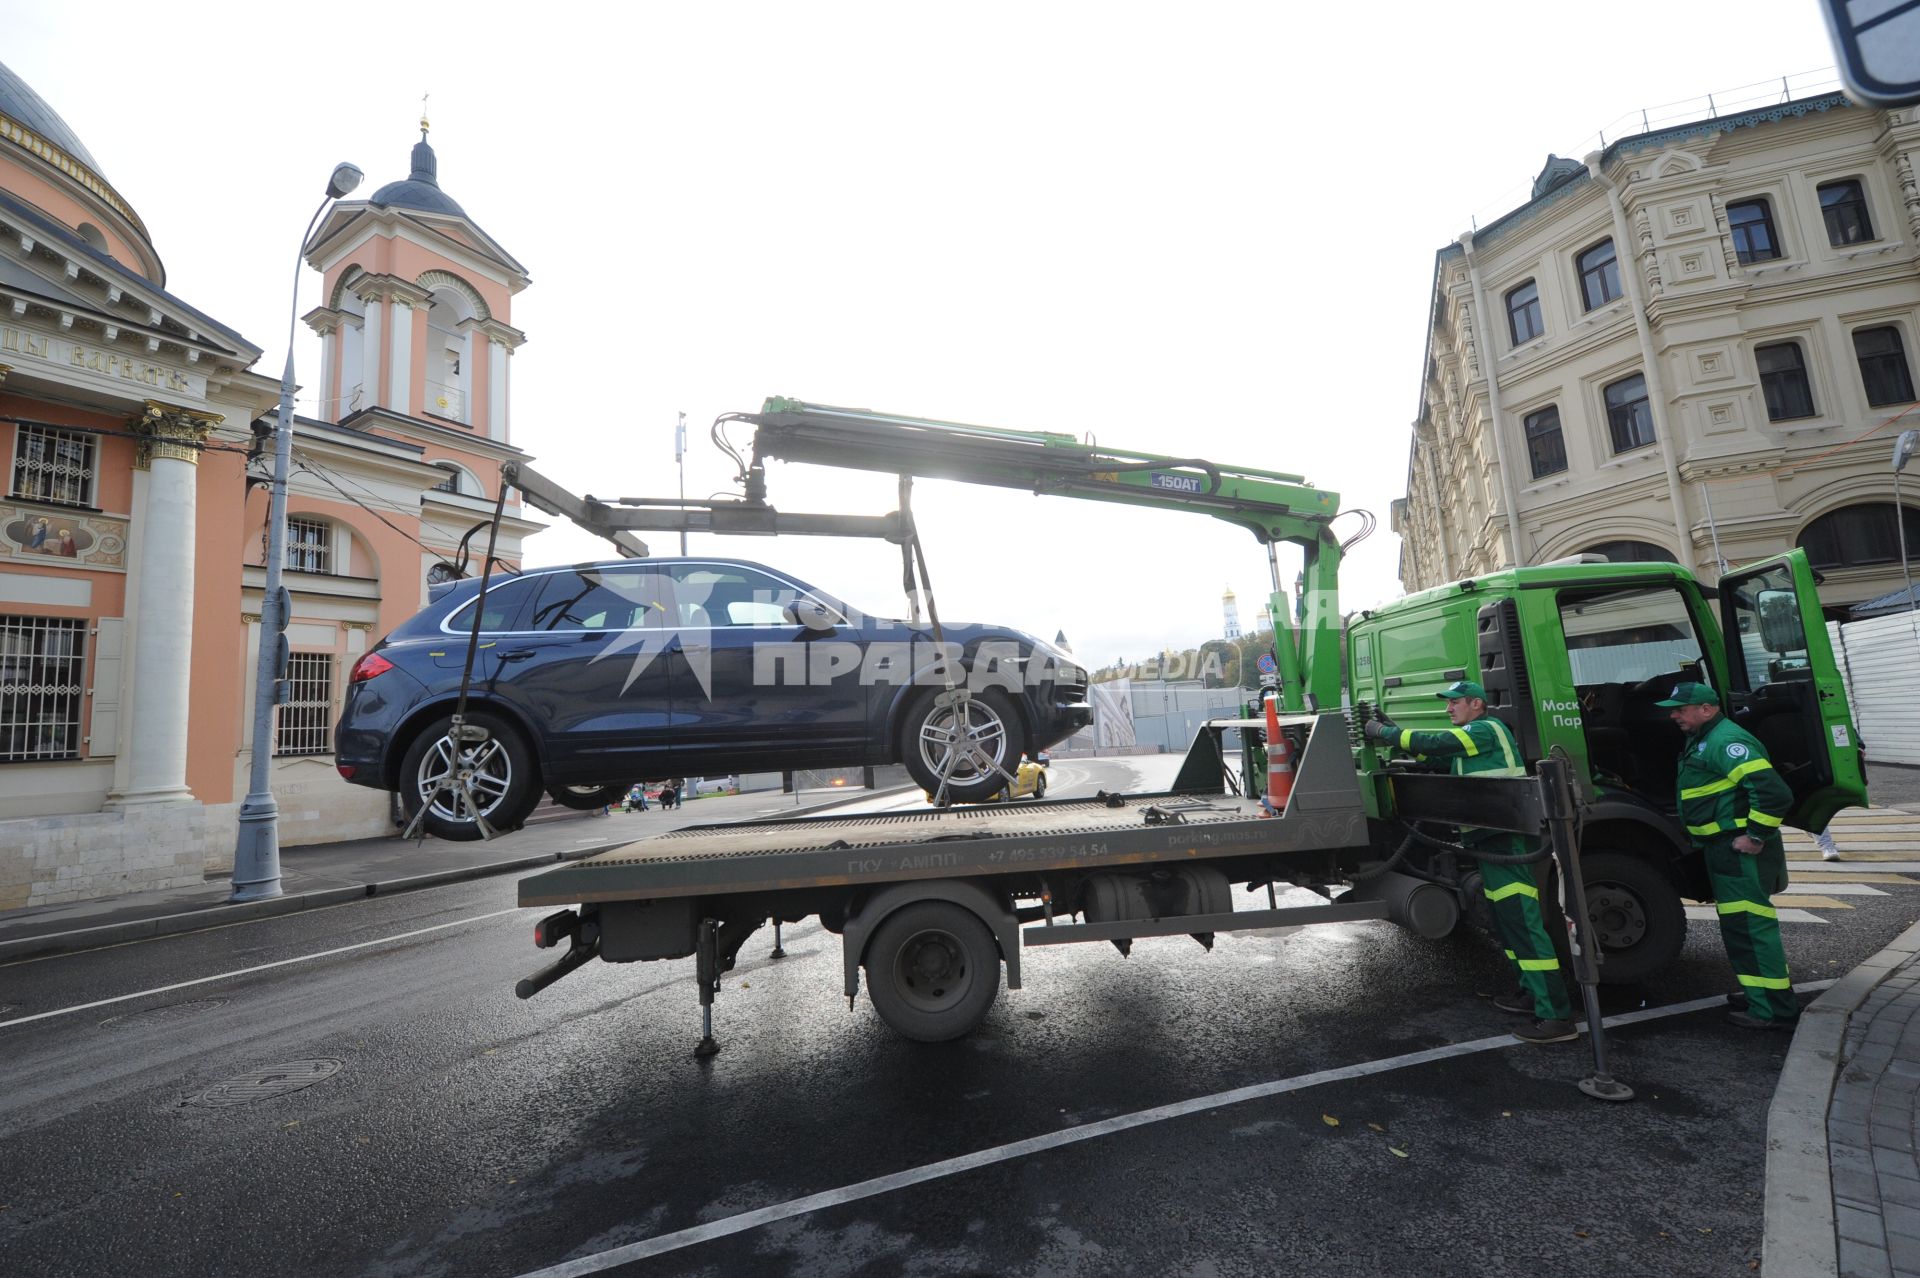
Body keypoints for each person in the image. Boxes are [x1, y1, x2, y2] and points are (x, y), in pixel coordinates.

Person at [1365, 680, 1577, 1045]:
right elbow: (1434, 756)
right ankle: (1529, 994)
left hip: (1506, 842)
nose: (1449, 710)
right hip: (1489, 842)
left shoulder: (1486, 729)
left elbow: (1436, 742)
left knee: (1523, 925)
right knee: (1507, 923)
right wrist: (1400, 742)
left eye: (1455, 703)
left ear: (1477, 704)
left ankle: (1556, 1016)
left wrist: (1388, 733)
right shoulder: (1472, 742)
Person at [1656, 681, 1799, 1030]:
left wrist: (1754, 836)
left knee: (1751, 930)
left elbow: (1773, 793)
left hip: (1737, 851)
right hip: (1722, 851)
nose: (1674, 714)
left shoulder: (1725, 741)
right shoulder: (1704, 738)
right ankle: (1759, 996)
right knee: (1740, 929)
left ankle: (1775, 1011)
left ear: (1707, 709)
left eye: (1681, 708)